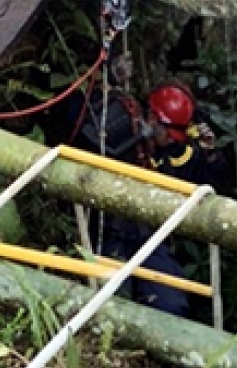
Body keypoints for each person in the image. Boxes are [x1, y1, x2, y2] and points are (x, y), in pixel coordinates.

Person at [55, 80, 225, 316]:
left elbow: (203, 186)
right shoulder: (118, 126)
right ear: (154, 119)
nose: (172, 140)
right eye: (169, 134)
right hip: (108, 231)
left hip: (149, 237)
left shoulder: (173, 153)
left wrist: (210, 156)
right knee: (113, 300)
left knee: (170, 305)